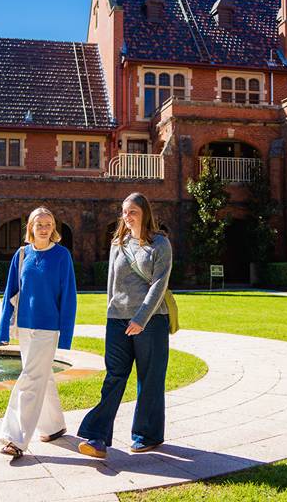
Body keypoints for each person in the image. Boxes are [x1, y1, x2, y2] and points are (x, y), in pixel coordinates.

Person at [77, 192, 172, 459]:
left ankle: (147, 435)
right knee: (114, 376)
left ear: (145, 214)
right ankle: (97, 437)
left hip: (151, 321)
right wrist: (111, 313)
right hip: (117, 320)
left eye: (133, 212)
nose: (127, 217)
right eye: (124, 212)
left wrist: (141, 319)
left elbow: (159, 284)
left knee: (149, 378)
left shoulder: (160, 243)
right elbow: (112, 284)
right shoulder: (118, 243)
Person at [0, 206, 77, 459]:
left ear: (54, 228)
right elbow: (10, 293)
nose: (44, 228)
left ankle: (15, 439)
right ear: (30, 227)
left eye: (48, 223)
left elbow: (69, 297)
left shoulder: (62, 256)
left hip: (48, 328)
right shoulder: (21, 255)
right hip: (25, 327)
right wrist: (3, 328)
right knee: (42, 376)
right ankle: (54, 427)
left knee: (30, 379)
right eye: (38, 223)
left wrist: (65, 334)